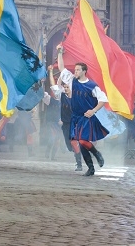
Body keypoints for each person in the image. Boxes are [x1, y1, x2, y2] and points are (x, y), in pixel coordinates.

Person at [57, 44, 108, 176]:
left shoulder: (92, 86)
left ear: (84, 71)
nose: (75, 72)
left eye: (78, 70)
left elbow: (103, 99)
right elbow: (62, 68)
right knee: (81, 143)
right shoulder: (72, 81)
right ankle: (90, 168)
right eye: (75, 70)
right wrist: (59, 53)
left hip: (87, 117)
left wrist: (93, 110)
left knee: (83, 141)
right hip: (76, 117)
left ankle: (97, 154)